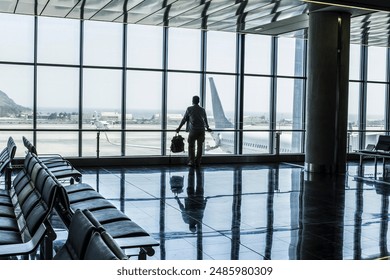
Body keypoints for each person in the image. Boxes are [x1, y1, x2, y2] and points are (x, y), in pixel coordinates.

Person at [176, 95, 212, 167]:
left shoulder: (189, 109)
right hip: (202, 130)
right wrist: (207, 128)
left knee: (191, 146)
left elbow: (184, 119)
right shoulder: (202, 110)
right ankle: (198, 162)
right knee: (200, 147)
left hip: (193, 130)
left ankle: (191, 161)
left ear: (192, 101)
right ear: (198, 101)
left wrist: (179, 128)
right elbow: (205, 120)